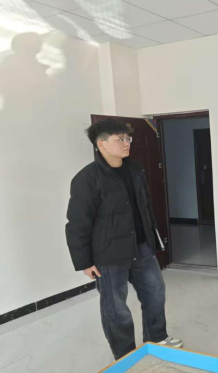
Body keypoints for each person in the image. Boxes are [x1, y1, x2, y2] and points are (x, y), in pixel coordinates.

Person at [66, 119, 182, 360]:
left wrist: (152, 239)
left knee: (155, 292)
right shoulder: (87, 178)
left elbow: (146, 208)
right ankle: (125, 355)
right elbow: (77, 223)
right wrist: (84, 261)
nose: (126, 143)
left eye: (127, 138)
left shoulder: (135, 169)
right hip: (108, 254)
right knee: (115, 307)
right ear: (101, 144)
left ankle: (156, 338)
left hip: (141, 247)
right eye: (120, 139)